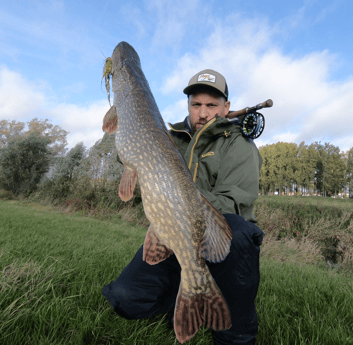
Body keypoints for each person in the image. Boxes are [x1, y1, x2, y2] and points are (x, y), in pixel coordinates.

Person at [102, 69, 264, 345]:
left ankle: (234, 334)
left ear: (226, 107)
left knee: (238, 232)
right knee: (125, 298)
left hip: (220, 243)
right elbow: (130, 151)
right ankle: (186, 295)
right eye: (196, 104)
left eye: (211, 105)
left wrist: (177, 209)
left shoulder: (239, 145)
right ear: (188, 106)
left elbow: (233, 202)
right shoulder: (170, 137)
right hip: (174, 235)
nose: (202, 113)